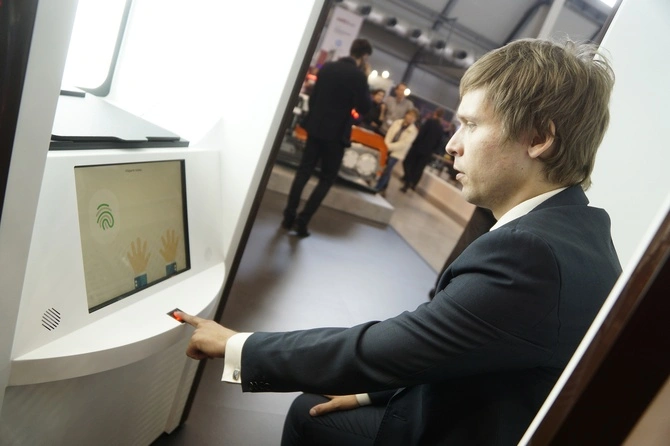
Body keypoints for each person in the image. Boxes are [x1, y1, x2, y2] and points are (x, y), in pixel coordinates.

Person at [177, 38, 622, 445]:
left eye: (470, 125)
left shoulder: (532, 256)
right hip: (473, 402)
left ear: (539, 138)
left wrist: (239, 346)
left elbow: (393, 348)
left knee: (306, 415)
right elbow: (461, 348)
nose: (452, 145)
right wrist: (370, 393)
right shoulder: (578, 229)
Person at [282, 38, 373, 237]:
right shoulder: (358, 76)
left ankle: (288, 217)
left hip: (316, 128)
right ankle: (302, 222)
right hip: (336, 135)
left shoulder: (328, 68)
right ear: (365, 56)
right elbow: (365, 107)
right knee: (326, 179)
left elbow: (314, 98)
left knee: (303, 172)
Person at [400, 108, 446, 192]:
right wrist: (433, 151)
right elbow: (439, 142)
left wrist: (414, 143)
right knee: (419, 168)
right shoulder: (440, 128)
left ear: (435, 113)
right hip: (428, 152)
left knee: (408, 163)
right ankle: (413, 184)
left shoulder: (429, 122)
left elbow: (421, 133)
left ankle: (407, 180)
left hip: (418, 147)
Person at [374, 108, 419, 195]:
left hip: (397, 153)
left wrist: (389, 147)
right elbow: (389, 134)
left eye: (413, 117)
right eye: (410, 115)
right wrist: (386, 145)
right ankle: (384, 187)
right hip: (386, 148)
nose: (411, 118)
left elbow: (403, 144)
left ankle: (378, 187)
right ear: (406, 114)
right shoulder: (397, 123)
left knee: (388, 168)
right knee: (384, 167)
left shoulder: (413, 131)